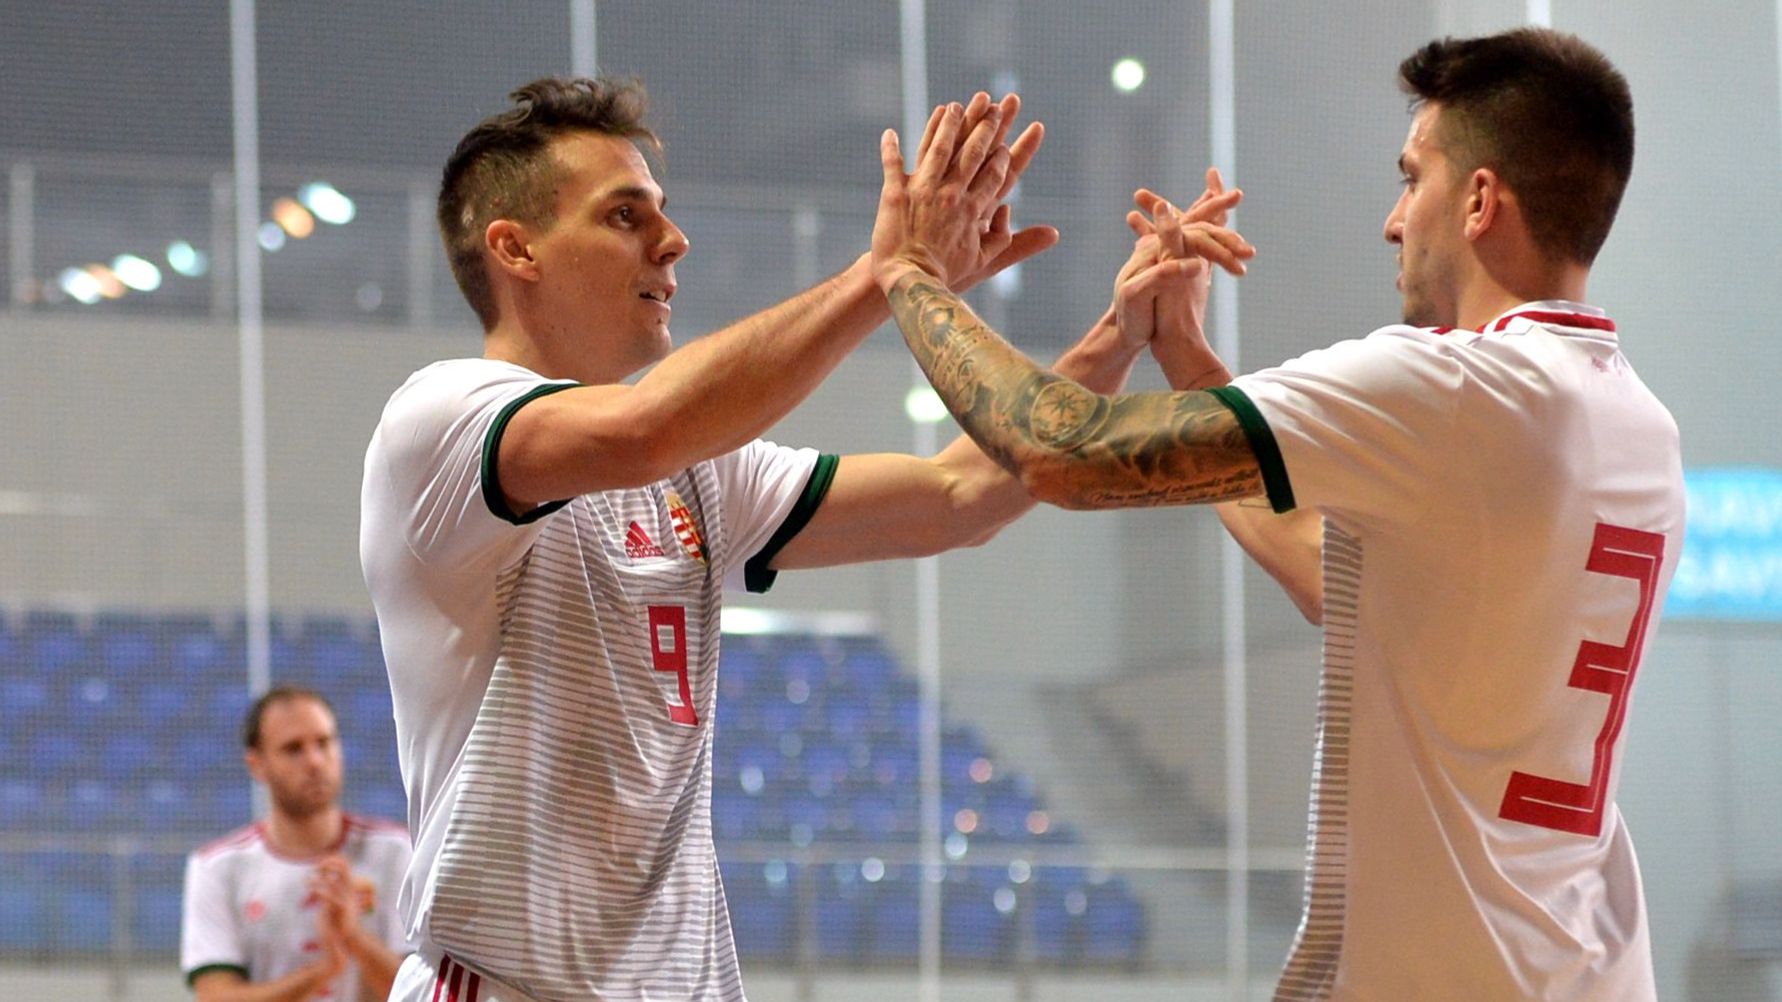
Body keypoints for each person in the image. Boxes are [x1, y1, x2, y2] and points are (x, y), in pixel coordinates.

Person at [361, 77, 1231, 1002]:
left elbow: (958, 496)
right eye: (624, 215)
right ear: (515, 249)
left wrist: (1119, 334)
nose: (672, 240)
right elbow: (645, 428)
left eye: (661, 211)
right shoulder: (442, 418)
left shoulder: (695, 470)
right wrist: (888, 273)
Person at [873, 26, 1679, 1002]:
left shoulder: (1458, 388)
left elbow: (1064, 451)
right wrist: (1186, 360)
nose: (1393, 221)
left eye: (1410, 178)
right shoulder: (1640, 426)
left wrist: (909, 273)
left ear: (1478, 201)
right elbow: (1334, 581)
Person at [181, 685, 411, 1001]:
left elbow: (428, 993)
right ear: (257, 764)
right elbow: (215, 996)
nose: (315, 761)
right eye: (293, 749)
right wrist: (322, 971)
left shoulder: (397, 852)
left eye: (324, 743)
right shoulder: (216, 867)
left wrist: (353, 936)